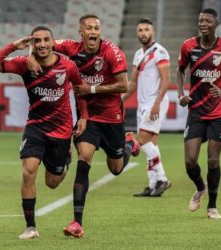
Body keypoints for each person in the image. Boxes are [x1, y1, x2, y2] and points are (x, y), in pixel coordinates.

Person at [28, 14, 140, 238]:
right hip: (87, 119)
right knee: (84, 156)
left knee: (116, 169)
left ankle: (128, 144)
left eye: (96, 28)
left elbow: (123, 85)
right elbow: (41, 41)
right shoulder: (71, 47)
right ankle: (77, 222)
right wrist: (30, 56)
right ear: (80, 32)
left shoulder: (112, 52)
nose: (93, 32)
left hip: (112, 118)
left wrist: (92, 90)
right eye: (88, 28)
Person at [0, 26, 89, 240]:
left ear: (52, 42)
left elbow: (80, 89)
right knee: (28, 170)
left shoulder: (67, 66)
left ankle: (65, 162)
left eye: (45, 40)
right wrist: (14, 46)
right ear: (32, 44)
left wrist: (84, 117)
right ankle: (30, 227)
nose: (42, 44)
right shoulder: (25, 64)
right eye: (37, 41)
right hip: (36, 126)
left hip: (60, 131)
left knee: (52, 183)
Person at [177, 8, 221, 219]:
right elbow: (180, 71)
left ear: (216, 24)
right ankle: (200, 188)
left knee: (213, 160)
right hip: (196, 111)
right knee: (190, 162)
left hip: (218, 112)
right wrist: (181, 93)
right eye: (200, 20)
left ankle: (212, 207)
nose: (203, 23)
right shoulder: (188, 46)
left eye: (207, 21)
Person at [122, 18, 171, 197]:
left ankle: (163, 179)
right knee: (150, 145)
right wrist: (121, 99)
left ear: (153, 32)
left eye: (146, 30)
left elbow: (166, 80)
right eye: (140, 30)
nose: (143, 33)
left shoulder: (160, 52)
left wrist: (157, 103)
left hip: (154, 102)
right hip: (144, 104)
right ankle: (152, 185)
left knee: (141, 141)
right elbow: (133, 82)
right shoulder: (138, 54)